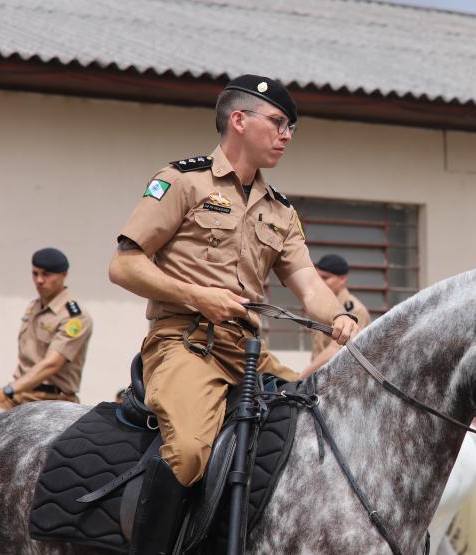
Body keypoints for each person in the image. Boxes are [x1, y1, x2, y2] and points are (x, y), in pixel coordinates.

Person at [108, 74, 359, 554]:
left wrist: (339, 318)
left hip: (249, 356)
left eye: (291, 128)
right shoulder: (182, 181)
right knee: (187, 451)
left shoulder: (281, 211)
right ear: (239, 120)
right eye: (279, 122)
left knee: (322, 422)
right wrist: (198, 296)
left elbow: (309, 286)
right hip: (186, 344)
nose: (286, 135)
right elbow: (124, 266)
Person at [0, 248, 92, 409]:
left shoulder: (74, 317)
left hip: (53, 401)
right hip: (19, 395)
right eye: (35, 274)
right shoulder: (33, 306)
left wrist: (7, 391)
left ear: (64, 275)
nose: (39, 280)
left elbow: (52, 364)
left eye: (46, 274)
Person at [303, 254, 372, 375]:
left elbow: (335, 350)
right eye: (318, 277)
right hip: (320, 377)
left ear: (343, 279)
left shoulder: (355, 311)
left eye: (325, 278)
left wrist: (301, 377)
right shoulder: (321, 305)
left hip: (343, 379)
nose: (320, 282)